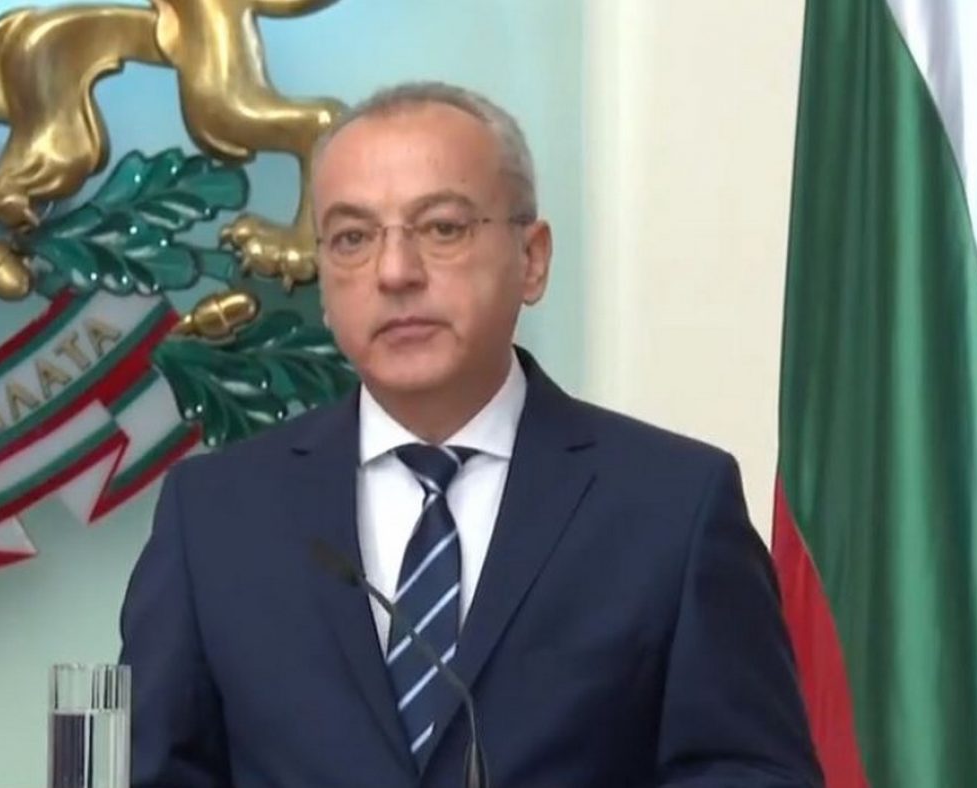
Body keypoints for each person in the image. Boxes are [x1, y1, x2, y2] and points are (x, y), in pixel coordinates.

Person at [118, 81, 822, 787]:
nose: (395, 272)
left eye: (442, 228)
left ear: (532, 259)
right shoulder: (214, 514)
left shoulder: (673, 505)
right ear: (324, 279)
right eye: (353, 238)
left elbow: (752, 774)